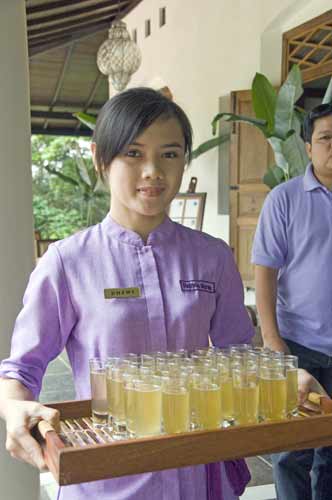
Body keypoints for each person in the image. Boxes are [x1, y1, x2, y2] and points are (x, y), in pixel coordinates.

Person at [0, 87, 254, 500]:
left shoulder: (213, 257)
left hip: (199, 471)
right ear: (102, 158)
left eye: (170, 154)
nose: (153, 170)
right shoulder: (67, 262)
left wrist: (289, 378)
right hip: (109, 477)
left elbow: (240, 354)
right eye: (133, 154)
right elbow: (21, 370)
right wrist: (12, 407)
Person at [252, 102, 332, 500]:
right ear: (308, 144)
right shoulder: (284, 199)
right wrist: (273, 342)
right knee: (292, 452)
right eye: (326, 138)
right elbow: (264, 273)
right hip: (299, 343)